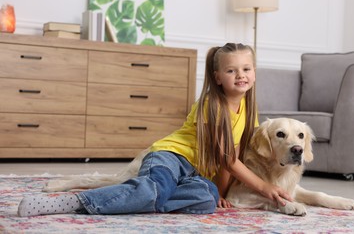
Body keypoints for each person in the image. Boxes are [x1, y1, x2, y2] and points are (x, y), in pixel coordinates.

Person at [17, 43, 291, 217]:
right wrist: (265, 188)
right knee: (153, 190)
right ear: (218, 77)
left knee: (205, 200)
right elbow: (226, 159)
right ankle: (77, 202)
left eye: (246, 68)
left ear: (254, 73)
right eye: (232, 70)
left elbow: (231, 160)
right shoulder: (211, 104)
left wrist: (219, 192)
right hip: (171, 158)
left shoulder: (250, 111)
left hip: (194, 174)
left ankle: (139, 195)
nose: (240, 75)